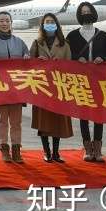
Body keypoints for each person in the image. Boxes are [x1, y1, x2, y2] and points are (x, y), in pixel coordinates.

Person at [66, 1, 106, 162]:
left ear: (93, 13)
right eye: (83, 12)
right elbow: (66, 56)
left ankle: (98, 149)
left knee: (98, 115)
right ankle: (87, 148)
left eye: (88, 11)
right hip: (81, 81)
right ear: (79, 15)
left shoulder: (103, 35)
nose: (86, 14)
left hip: (99, 81)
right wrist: (76, 58)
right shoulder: (72, 35)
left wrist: (104, 58)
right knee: (84, 115)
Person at [0, 11, 30, 163]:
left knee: (16, 122)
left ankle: (16, 149)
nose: (4, 23)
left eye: (7, 21)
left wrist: (26, 59)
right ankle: (4, 148)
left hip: (17, 88)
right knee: (2, 120)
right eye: (1, 21)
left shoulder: (20, 42)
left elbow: (29, 63)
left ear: (11, 23)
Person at [29, 13, 73, 163]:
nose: (49, 24)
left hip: (58, 86)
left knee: (57, 121)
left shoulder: (64, 43)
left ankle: (56, 152)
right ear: (42, 25)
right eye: (47, 22)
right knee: (44, 121)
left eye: (52, 22)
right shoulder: (36, 43)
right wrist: (37, 61)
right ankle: (46, 151)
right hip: (42, 87)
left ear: (57, 24)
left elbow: (70, 66)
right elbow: (29, 65)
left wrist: (59, 64)